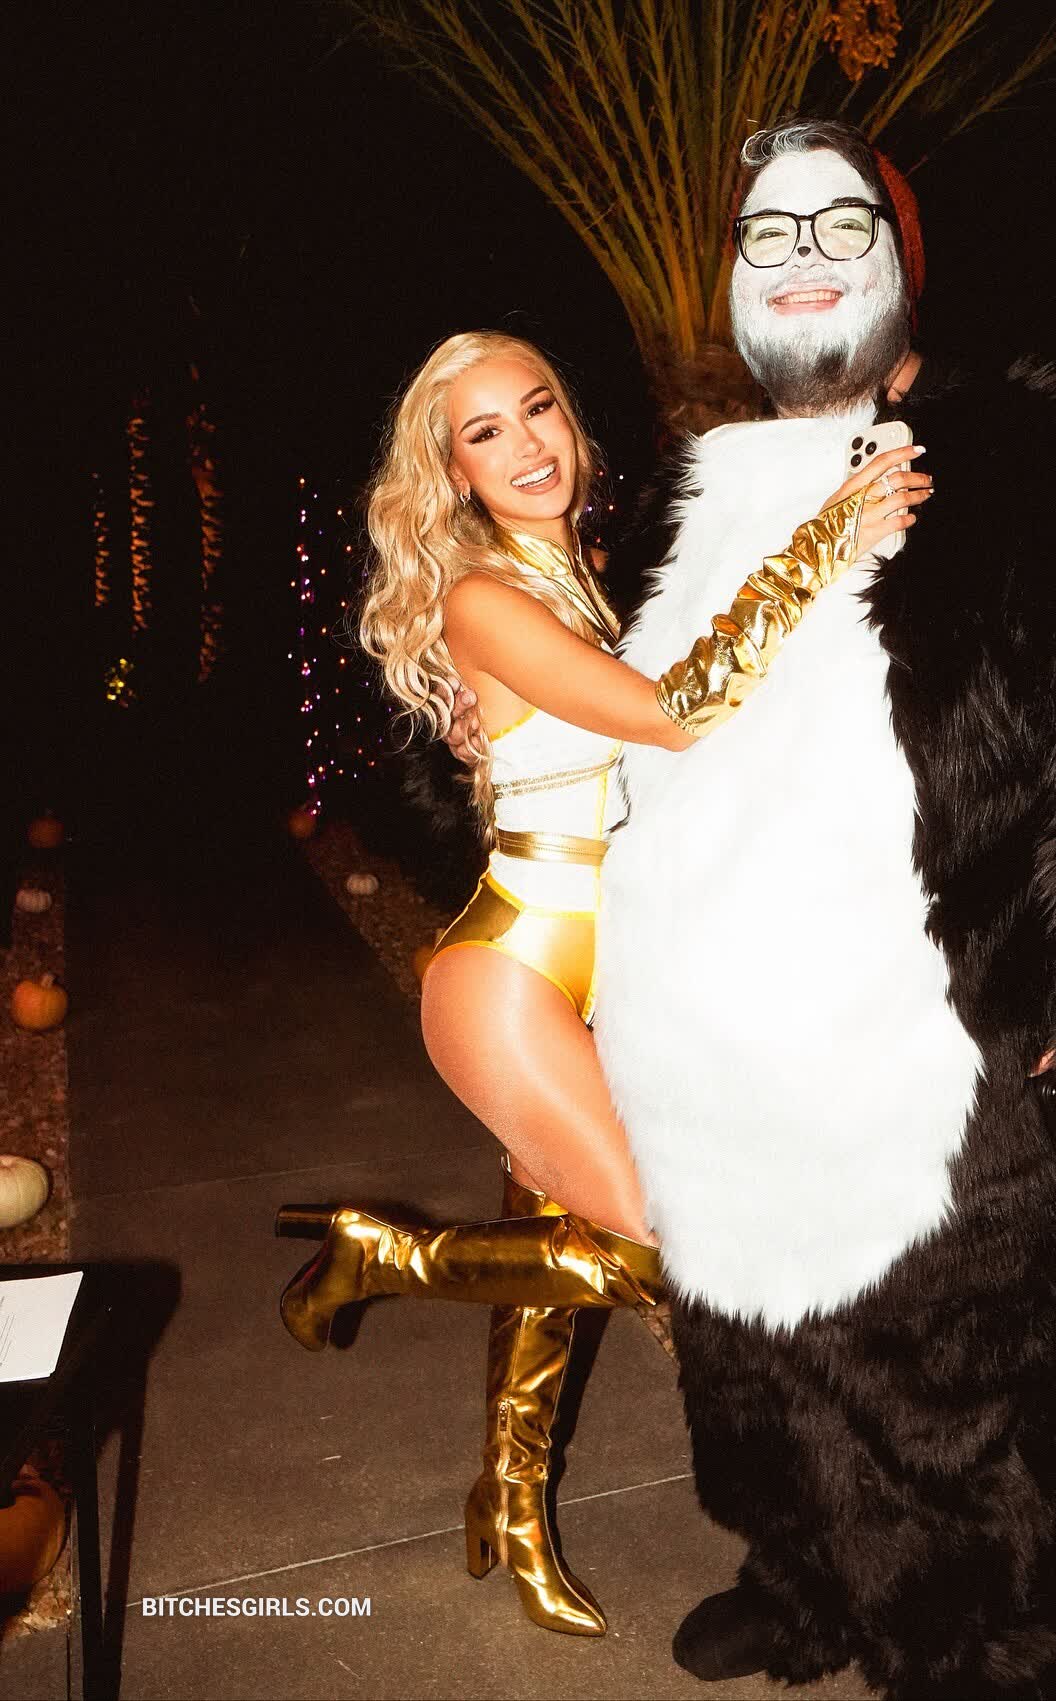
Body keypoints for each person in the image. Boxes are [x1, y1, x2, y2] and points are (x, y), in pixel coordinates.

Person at [527, 119, 1056, 1699]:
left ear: (903, 265)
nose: (801, 263)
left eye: (837, 227)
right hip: (715, 1052)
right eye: (766, 238)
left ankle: (983, 1635)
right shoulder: (683, 495)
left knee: (950, 1387)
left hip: (941, 1046)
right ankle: (804, 1580)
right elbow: (593, 721)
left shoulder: (1028, 469)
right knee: (753, 1347)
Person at [273, 330, 928, 1638]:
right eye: (486, 432)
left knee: (546, 1265)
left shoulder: (565, 577)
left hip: (608, 969)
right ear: (450, 472)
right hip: (513, 976)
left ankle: (509, 1509)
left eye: (539, 411)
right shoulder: (482, 596)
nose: (528, 446)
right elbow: (679, 709)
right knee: (658, 1246)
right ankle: (384, 1253)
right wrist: (830, 536)